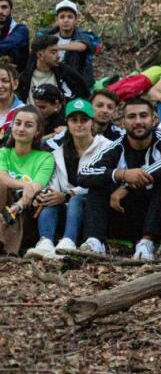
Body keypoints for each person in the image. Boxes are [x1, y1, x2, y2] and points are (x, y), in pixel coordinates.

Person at [76, 98, 161, 260]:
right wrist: (121, 174)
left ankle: (147, 243)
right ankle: (94, 241)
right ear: (123, 122)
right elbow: (84, 174)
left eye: (143, 116)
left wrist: (127, 186)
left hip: (155, 217)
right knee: (99, 181)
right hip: (122, 214)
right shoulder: (116, 146)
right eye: (131, 117)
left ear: (154, 120)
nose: (138, 121)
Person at [27, 99, 109, 258]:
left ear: (92, 123)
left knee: (76, 199)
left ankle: (68, 241)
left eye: (84, 120)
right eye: (74, 120)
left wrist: (67, 194)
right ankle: (45, 242)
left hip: (94, 209)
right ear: (67, 123)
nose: (79, 125)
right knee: (49, 199)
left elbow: (102, 181)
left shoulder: (106, 147)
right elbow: (54, 184)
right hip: (65, 210)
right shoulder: (57, 152)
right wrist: (49, 194)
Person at [1, 106, 54, 255]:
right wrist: (26, 185)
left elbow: (36, 188)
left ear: (37, 131)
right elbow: (2, 178)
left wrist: (17, 205)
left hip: (25, 212)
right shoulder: (3, 153)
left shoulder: (46, 158)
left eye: (28, 125)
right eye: (18, 123)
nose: (21, 128)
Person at [18, 33, 90, 103]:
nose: (58, 56)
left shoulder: (67, 74)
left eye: (58, 52)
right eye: (53, 52)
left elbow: (83, 95)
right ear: (40, 55)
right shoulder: (25, 78)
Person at [0, 0, 30, 71]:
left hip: (19, 77)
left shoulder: (20, 29)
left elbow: (11, 43)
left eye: (4, 7)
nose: (0, 11)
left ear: (10, 10)